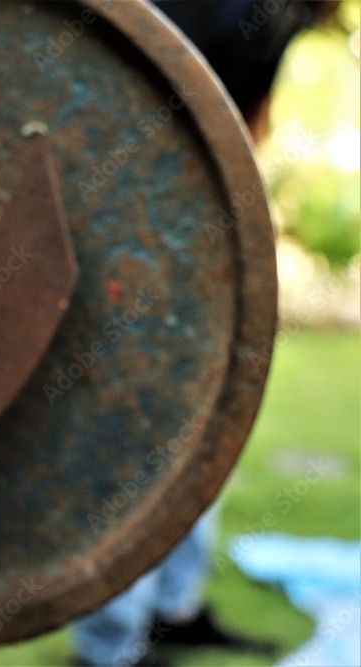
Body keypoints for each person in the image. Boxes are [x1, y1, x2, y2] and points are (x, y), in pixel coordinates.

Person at [70, 1, 333, 665]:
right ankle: (111, 646)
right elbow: (240, 123)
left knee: (205, 421)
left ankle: (171, 611)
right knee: (140, 430)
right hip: (137, 210)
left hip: (184, 213)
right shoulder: (253, 16)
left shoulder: (266, 17)